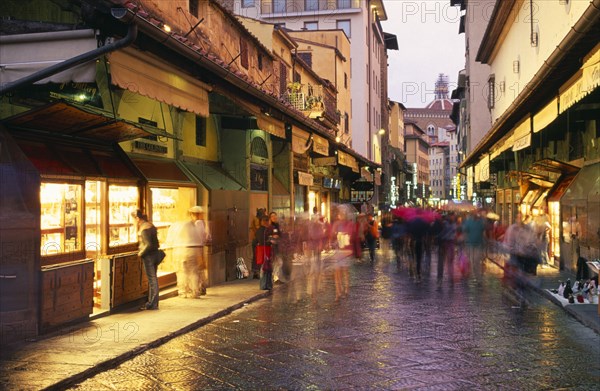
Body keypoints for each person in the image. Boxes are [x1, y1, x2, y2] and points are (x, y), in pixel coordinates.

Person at [165, 206, 209, 299]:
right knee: (194, 272)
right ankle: (195, 292)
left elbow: (169, 240)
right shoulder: (196, 225)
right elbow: (202, 239)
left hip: (178, 250)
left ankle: (182, 292)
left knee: (181, 272)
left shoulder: (175, 225)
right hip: (194, 250)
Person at [132, 209, 161, 310]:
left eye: (134, 220)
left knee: (152, 280)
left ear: (137, 218)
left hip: (148, 256)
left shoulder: (144, 229)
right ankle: (153, 302)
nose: (133, 222)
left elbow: (148, 244)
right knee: (154, 279)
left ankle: (152, 303)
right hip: (155, 254)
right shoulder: (151, 225)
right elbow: (156, 243)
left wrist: (141, 253)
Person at [255, 215, 274, 290]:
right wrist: (271, 240)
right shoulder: (266, 230)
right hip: (266, 250)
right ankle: (265, 285)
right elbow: (267, 241)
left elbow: (256, 241)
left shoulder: (258, 230)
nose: (269, 223)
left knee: (264, 268)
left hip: (261, 250)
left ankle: (265, 285)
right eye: (269, 221)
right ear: (265, 222)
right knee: (266, 268)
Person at [249, 208, 265, 279]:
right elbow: (256, 230)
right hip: (257, 240)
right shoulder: (256, 220)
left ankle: (257, 271)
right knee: (257, 257)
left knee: (258, 257)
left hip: (259, 240)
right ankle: (256, 272)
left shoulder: (262, 220)